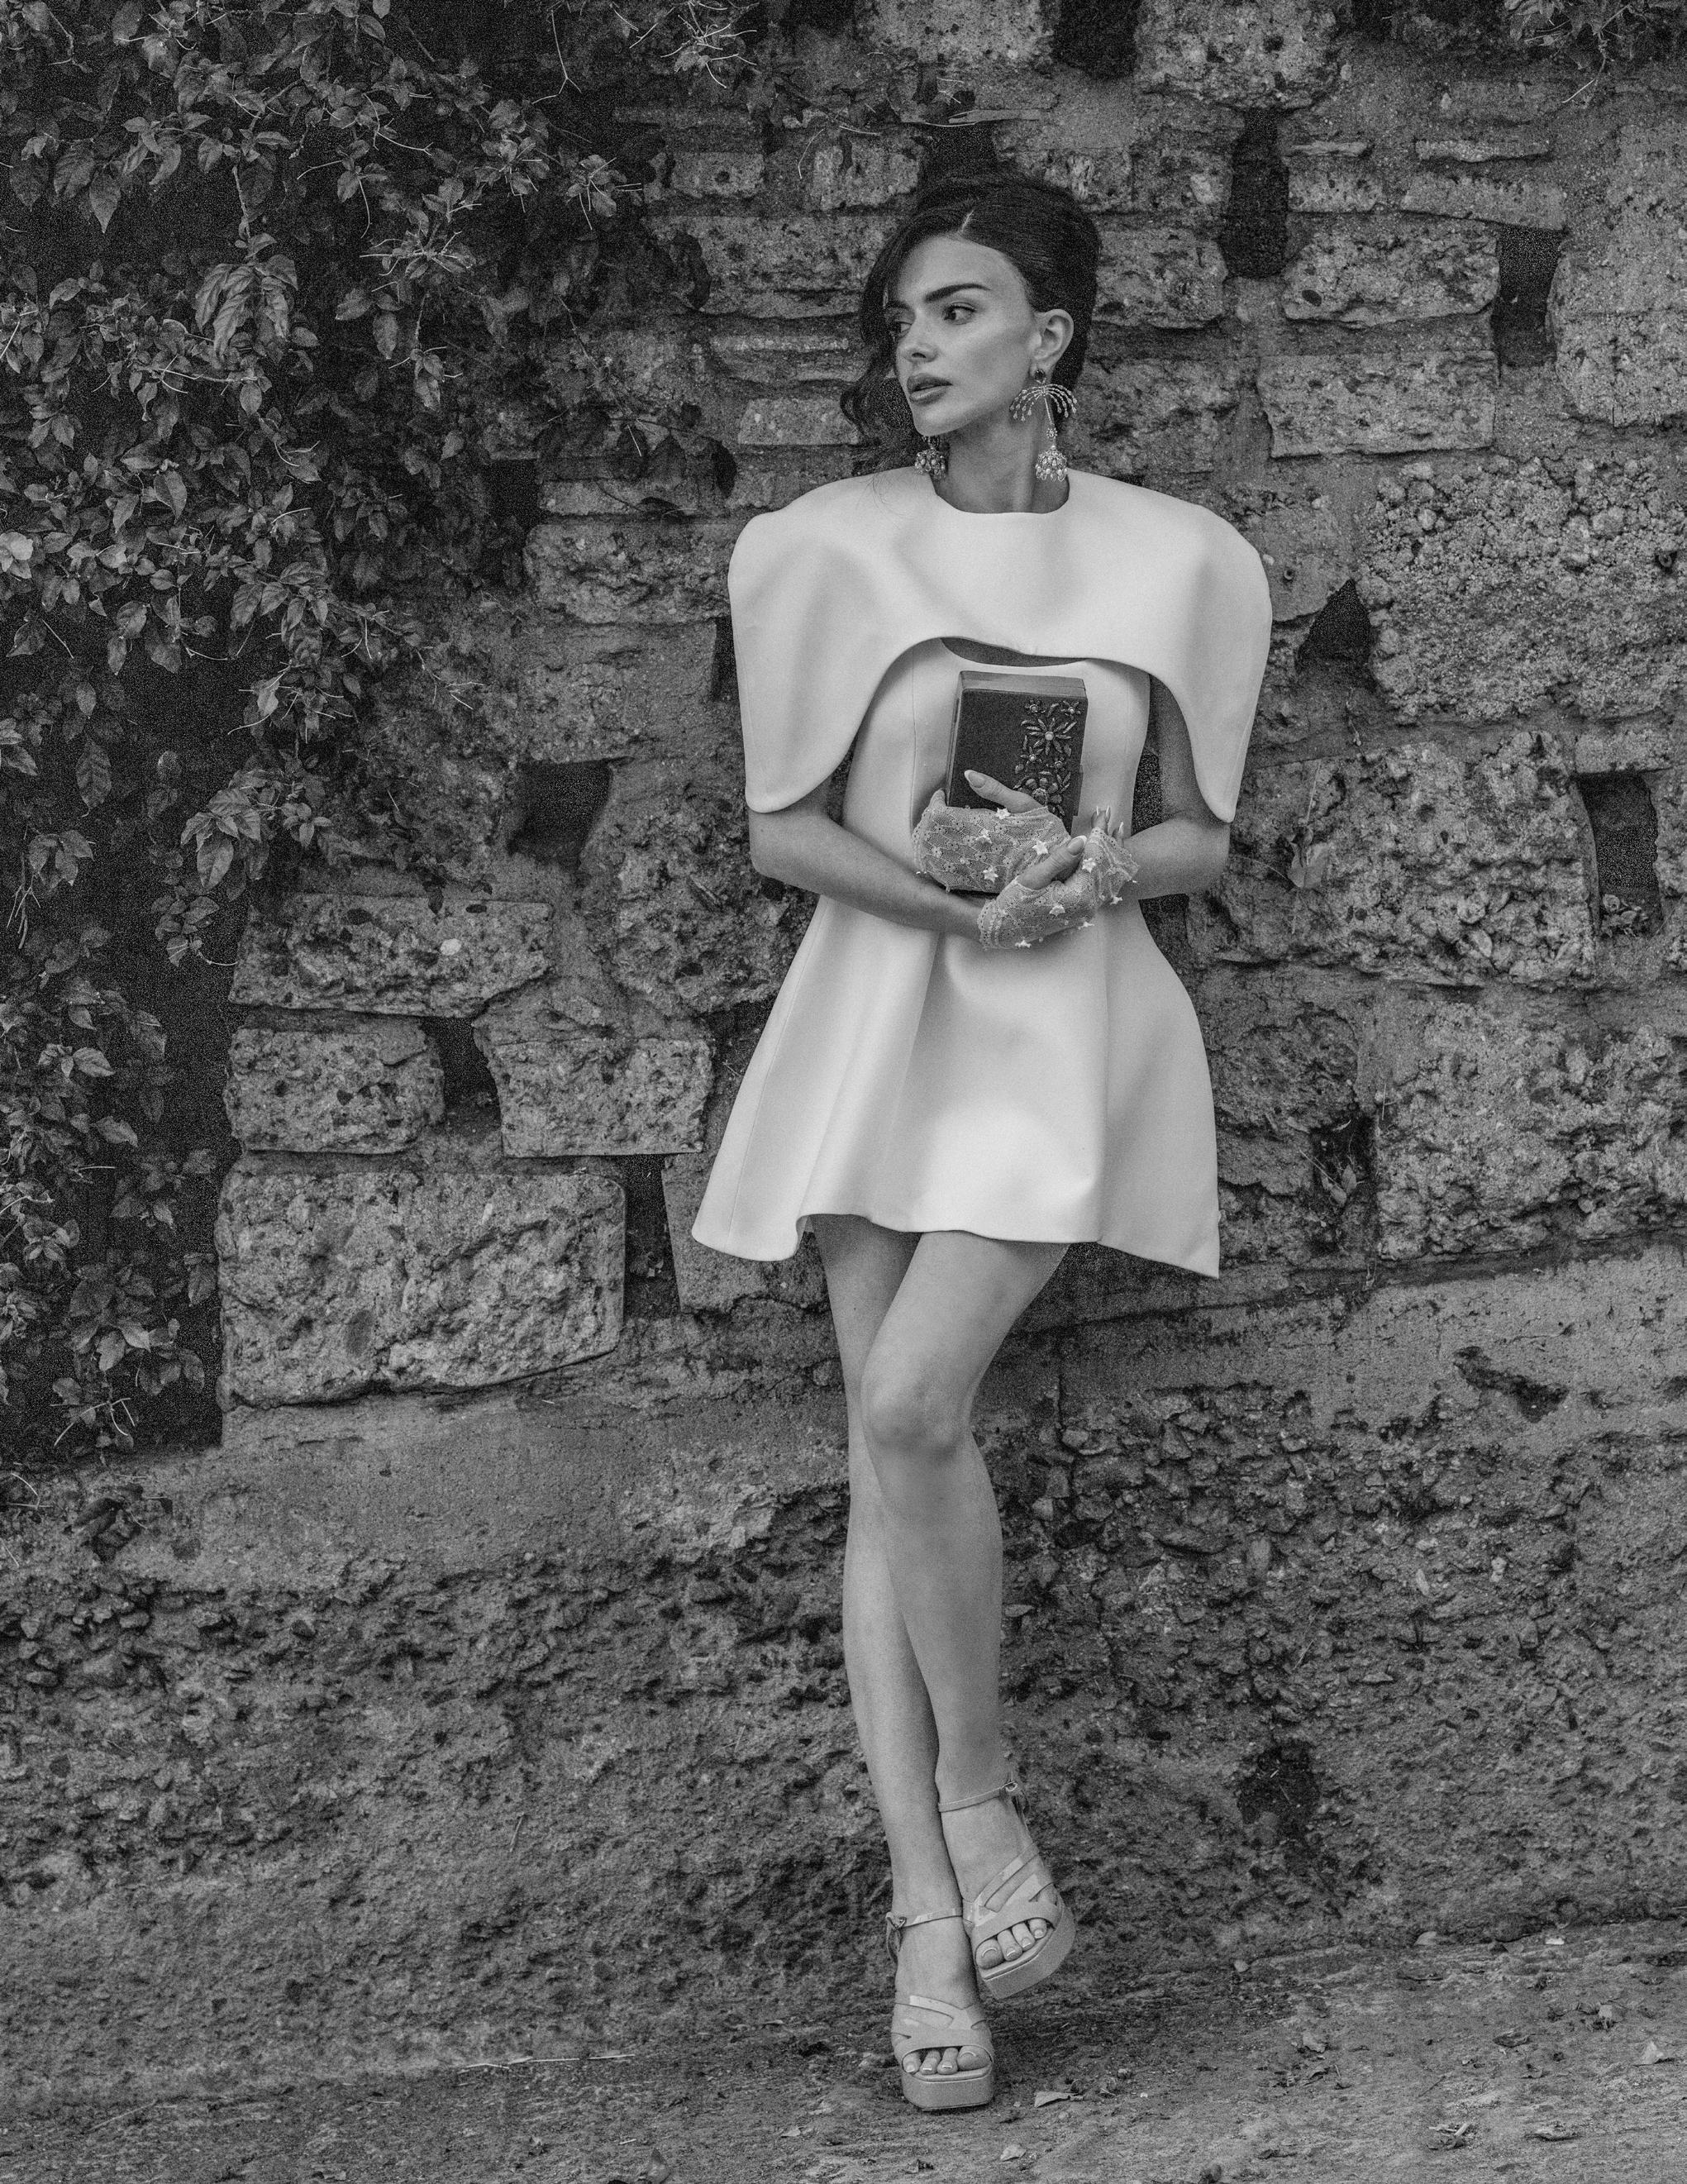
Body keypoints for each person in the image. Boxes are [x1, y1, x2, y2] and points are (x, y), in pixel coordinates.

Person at [691, 170, 1271, 2111]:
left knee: (913, 1401)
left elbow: (1197, 835)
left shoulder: (1177, 561)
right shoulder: (823, 550)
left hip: (1063, 1029)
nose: (919, 345)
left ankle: (979, 1788)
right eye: (904, 319)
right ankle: (930, 1926)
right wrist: (953, 899)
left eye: (957, 310)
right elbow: (783, 832)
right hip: (882, 1016)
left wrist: (1092, 869)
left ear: (1052, 336)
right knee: (887, 1456)